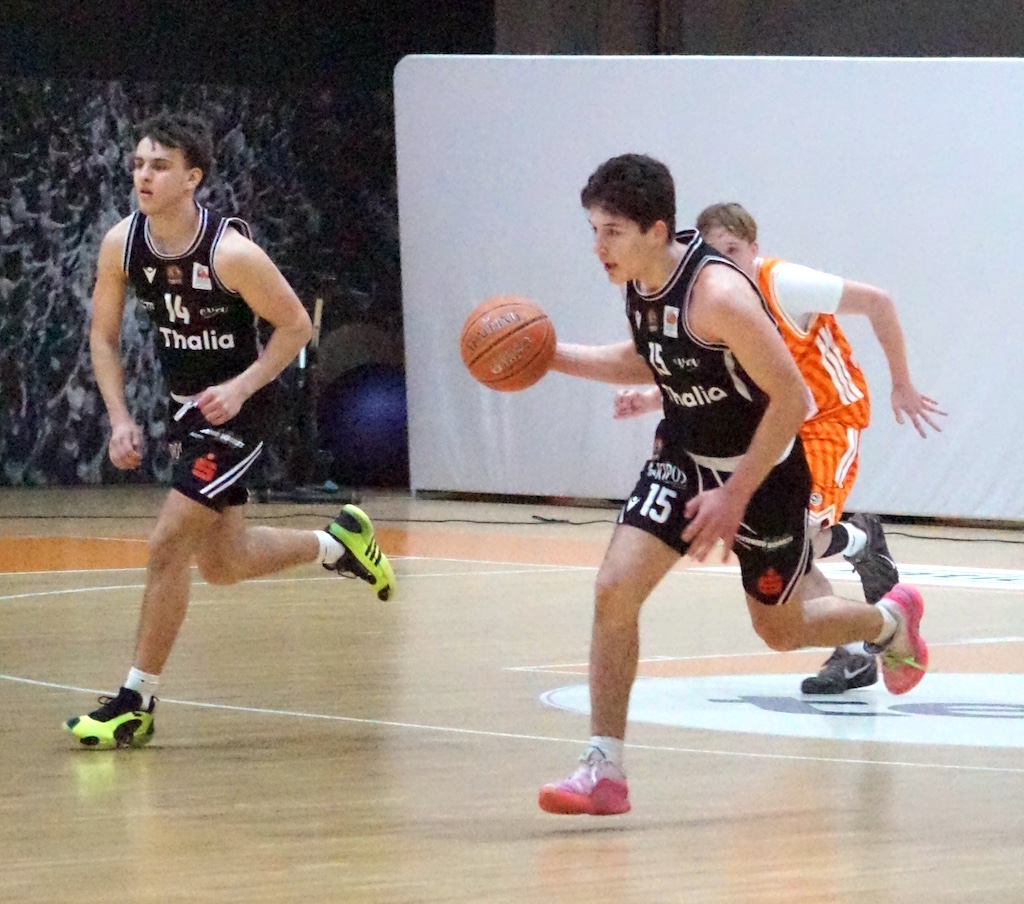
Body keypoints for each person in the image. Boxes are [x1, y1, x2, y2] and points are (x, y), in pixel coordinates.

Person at [537, 154, 927, 817]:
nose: (598, 246)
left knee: (781, 629)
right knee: (613, 588)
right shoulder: (640, 280)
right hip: (684, 457)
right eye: (594, 230)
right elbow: (649, 356)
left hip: (765, 472)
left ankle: (890, 621)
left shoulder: (719, 295)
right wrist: (551, 356)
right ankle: (604, 767)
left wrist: (735, 494)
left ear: (656, 231)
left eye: (612, 232)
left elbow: (793, 399)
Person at [64, 112, 396, 750]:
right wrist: (120, 418)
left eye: (160, 166)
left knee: (168, 544)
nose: (143, 176)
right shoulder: (122, 244)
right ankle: (337, 544)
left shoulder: (230, 253)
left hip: (243, 408)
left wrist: (242, 386)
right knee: (222, 562)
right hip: (188, 410)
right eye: (138, 164)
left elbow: (296, 326)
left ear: (192, 178)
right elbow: (102, 338)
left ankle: (135, 702)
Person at [615, 202, 945, 695]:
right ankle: (854, 643)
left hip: (827, 420)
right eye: (715, 254)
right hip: (768, 428)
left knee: (800, 539)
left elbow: (878, 302)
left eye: (734, 251)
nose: (725, 263)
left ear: (755, 249)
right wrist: (648, 398)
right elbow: (714, 379)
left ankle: (859, 544)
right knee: (785, 557)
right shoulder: (711, 299)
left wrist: (902, 383)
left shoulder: (783, 284)